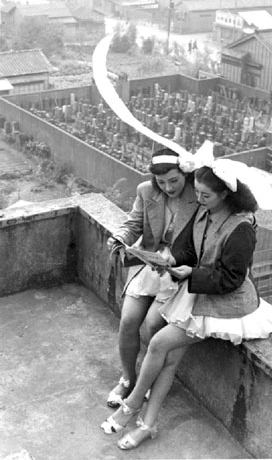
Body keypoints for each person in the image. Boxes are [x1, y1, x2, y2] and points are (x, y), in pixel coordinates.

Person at [100, 158, 272, 448]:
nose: (197, 199)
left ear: (226, 194)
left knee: (159, 344)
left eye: (205, 195)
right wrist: (171, 261)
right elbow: (187, 247)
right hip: (198, 293)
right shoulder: (205, 211)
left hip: (226, 303)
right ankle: (146, 425)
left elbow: (233, 278)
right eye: (197, 193)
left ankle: (132, 404)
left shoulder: (241, 227)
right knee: (170, 358)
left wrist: (192, 274)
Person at [105, 147, 199, 409]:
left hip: (178, 268)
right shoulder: (146, 191)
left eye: (174, 181)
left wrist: (175, 260)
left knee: (152, 324)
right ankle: (127, 378)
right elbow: (134, 223)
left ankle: (150, 381)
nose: (168, 187)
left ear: (185, 174)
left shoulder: (198, 196)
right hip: (150, 262)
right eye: (162, 182)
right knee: (128, 320)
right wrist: (120, 238)